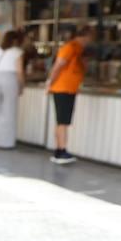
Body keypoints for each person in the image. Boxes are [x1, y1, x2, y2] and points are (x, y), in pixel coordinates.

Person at [47, 26, 92, 164]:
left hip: (68, 89)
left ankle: (59, 150)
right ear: (85, 36)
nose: (91, 41)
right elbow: (58, 65)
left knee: (62, 121)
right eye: (90, 37)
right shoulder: (69, 48)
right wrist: (49, 82)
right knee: (63, 122)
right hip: (63, 89)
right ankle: (62, 151)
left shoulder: (78, 50)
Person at [0, 31, 25, 148]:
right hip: (10, 79)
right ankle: (6, 142)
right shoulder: (17, 52)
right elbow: (20, 72)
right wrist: (21, 86)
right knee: (8, 110)